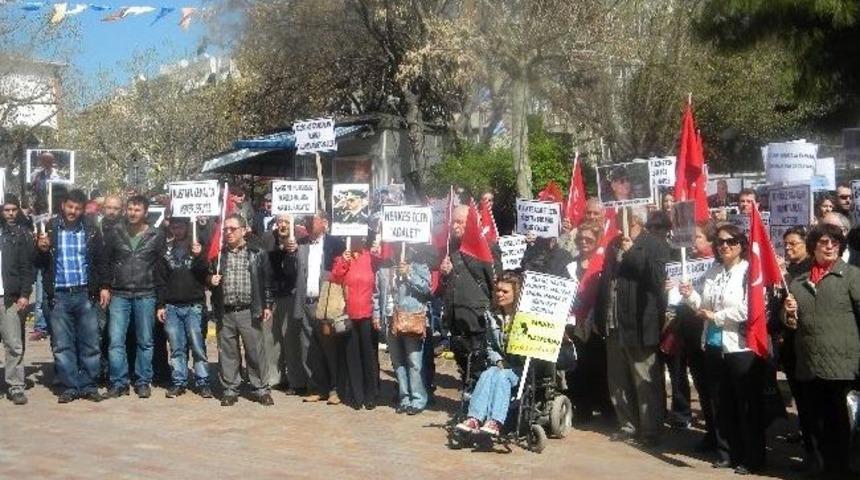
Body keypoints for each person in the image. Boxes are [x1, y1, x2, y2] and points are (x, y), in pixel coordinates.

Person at [679, 224, 765, 475]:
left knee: (745, 405)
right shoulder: (714, 270)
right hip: (714, 345)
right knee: (721, 403)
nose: (725, 246)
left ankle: (752, 457)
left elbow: (749, 309)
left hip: (740, 347)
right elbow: (702, 305)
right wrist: (689, 295)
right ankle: (727, 452)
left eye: (731, 242)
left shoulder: (749, 271)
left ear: (741, 245)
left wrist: (716, 316)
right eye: (720, 242)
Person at [784, 224, 860, 476]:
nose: (830, 247)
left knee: (839, 423)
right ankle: (822, 469)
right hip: (809, 365)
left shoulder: (851, 276)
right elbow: (790, 323)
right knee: (815, 423)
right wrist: (788, 314)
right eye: (824, 242)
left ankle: (841, 471)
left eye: (835, 243)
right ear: (813, 246)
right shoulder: (798, 282)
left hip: (842, 366)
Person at [597, 209, 671, 446]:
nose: (617, 221)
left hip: (639, 325)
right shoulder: (613, 245)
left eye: (622, 216)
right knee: (617, 381)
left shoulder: (655, 245)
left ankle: (650, 430)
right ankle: (628, 425)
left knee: (643, 380)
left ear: (636, 220)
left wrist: (631, 254)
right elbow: (605, 283)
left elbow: (657, 279)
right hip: (614, 324)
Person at [35, 189, 110, 403]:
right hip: (59, 295)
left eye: (78, 208)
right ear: (63, 206)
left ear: (83, 209)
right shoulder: (49, 230)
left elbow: (101, 260)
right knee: (62, 344)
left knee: (90, 342)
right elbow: (37, 263)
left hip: (85, 293)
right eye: (70, 207)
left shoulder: (91, 230)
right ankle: (70, 386)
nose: (73, 211)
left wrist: (104, 285)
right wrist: (40, 249)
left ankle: (88, 385)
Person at [103, 195, 166, 399]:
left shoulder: (156, 235)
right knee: (115, 341)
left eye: (137, 210)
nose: (132, 213)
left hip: (146, 293)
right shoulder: (115, 233)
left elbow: (161, 269)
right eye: (130, 209)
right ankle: (118, 381)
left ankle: (142, 381)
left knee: (145, 341)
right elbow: (107, 261)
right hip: (119, 293)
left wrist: (161, 300)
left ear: (146, 212)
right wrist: (105, 285)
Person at [209, 214, 274, 406]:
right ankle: (230, 388)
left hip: (249, 310)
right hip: (226, 310)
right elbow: (208, 275)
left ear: (244, 230)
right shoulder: (219, 255)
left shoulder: (257, 252)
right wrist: (209, 280)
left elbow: (267, 281)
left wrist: (267, 304)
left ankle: (261, 388)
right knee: (228, 352)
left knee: (255, 351)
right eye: (225, 229)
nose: (228, 233)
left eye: (232, 229)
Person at [283, 212, 346, 403]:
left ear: (324, 223)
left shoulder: (336, 244)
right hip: (305, 302)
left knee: (330, 347)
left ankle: (336, 388)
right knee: (308, 347)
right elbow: (289, 272)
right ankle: (317, 386)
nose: (308, 224)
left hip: (325, 303)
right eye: (307, 221)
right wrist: (289, 252)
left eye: (312, 220)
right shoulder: (300, 243)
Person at [455, 272, 523, 436]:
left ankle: (495, 421)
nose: (499, 294)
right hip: (501, 365)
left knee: (501, 376)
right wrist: (498, 361)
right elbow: (490, 346)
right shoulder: (492, 316)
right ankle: (475, 418)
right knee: (487, 374)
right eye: (497, 290)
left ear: (516, 293)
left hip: (521, 367)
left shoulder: (524, 318)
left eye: (505, 291)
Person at [155, 218, 212, 399]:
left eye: (180, 226)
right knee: (176, 347)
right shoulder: (166, 249)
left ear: (188, 226)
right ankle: (179, 381)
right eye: (174, 226)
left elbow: (205, 273)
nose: (177, 229)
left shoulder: (197, 245)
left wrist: (199, 255)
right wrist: (160, 305)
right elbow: (161, 280)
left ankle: (203, 381)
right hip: (172, 306)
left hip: (194, 305)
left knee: (198, 346)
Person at [373, 243, 433, 415]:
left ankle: (418, 399)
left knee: (414, 361)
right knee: (398, 361)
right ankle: (404, 398)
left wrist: (409, 274)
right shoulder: (384, 266)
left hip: (411, 317)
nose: (399, 248)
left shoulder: (419, 264)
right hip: (390, 318)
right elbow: (376, 293)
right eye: (396, 244)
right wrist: (377, 314)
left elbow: (427, 290)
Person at [440, 205, 496, 379]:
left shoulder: (488, 247)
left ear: (471, 223)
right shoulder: (451, 248)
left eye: (460, 222)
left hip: (477, 319)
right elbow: (448, 284)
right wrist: (445, 274)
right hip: (456, 318)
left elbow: (494, 281)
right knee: (463, 365)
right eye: (453, 222)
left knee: (480, 365)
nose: (455, 226)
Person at [565, 220, 613, 422]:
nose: (584, 242)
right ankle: (582, 406)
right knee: (576, 366)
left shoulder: (603, 265)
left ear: (597, 241)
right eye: (581, 239)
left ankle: (605, 407)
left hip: (595, 321)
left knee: (599, 366)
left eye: (589, 239)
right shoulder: (570, 265)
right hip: (574, 321)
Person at [331, 237, 379, 409]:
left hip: (367, 313)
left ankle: (370, 394)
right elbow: (335, 277)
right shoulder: (342, 257)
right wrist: (344, 260)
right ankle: (356, 395)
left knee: (368, 355)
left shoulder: (371, 257)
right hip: (348, 314)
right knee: (351, 356)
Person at [0, 195, 34, 405]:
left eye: (14, 210)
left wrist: (24, 294)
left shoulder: (21, 235)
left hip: (10, 297)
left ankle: (15, 386)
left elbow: (26, 268)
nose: (11, 214)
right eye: (6, 210)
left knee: (14, 344)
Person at [260, 214, 298, 388]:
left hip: (291, 293)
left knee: (290, 339)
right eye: (280, 221)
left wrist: (293, 248)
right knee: (271, 339)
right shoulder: (267, 237)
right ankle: (275, 377)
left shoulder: (299, 236)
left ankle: (296, 379)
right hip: (271, 294)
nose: (282, 225)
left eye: (286, 222)